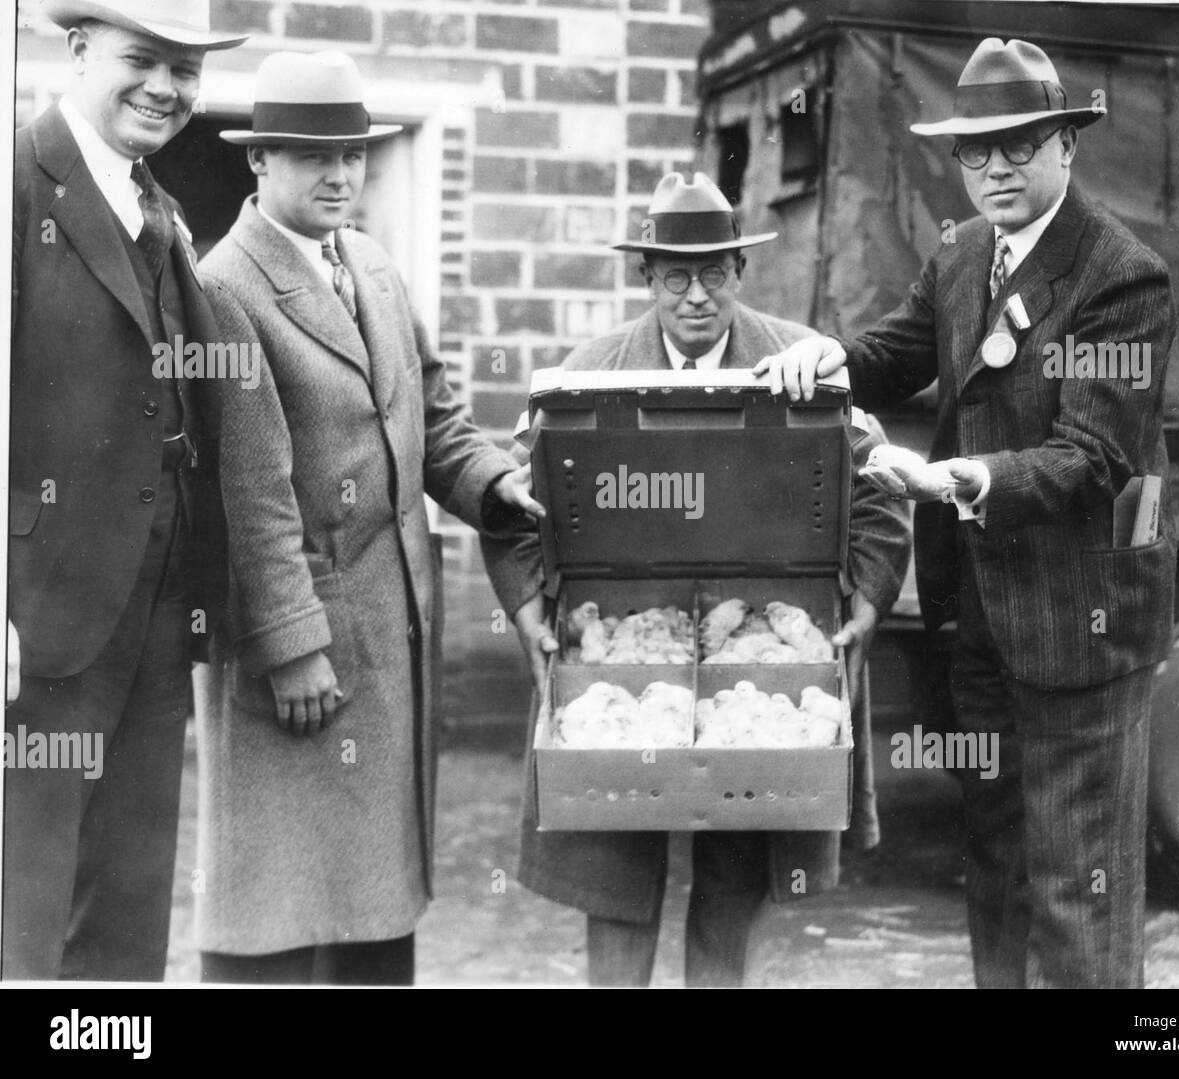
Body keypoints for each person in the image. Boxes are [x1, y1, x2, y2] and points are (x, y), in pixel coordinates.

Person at [757, 38, 1177, 989]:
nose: (995, 169)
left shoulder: (1123, 277)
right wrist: (822, 358)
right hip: (982, 616)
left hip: (1082, 622)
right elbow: (893, 352)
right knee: (995, 867)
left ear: (1067, 145)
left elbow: (1092, 459)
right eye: (975, 151)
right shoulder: (963, 254)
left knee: (1080, 889)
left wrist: (948, 480)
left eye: (1019, 145)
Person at [483, 172, 912, 987]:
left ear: (739, 275)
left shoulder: (800, 362)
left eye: (715, 272)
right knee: (612, 870)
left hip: (760, 632)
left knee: (737, 873)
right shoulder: (591, 372)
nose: (695, 295)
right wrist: (531, 605)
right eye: (675, 275)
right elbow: (516, 502)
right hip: (616, 635)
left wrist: (865, 594)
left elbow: (880, 486)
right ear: (647, 278)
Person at [193, 50, 542, 985]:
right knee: (272, 905)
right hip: (297, 647)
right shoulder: (225, 287)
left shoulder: (372, 264)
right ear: (259, 163)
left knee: (375, 905)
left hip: (387, 633)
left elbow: (434, 413)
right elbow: (249, 491)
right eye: (312, 155)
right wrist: (293, 642)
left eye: (351, 152)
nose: (339, 173)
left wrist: (490, 483)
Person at [4, 0, 246, 981]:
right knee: (25, 891)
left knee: (131, 893)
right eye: (143, 59)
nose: (167, 87)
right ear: (75, 50)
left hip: (157, 607)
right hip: (43, 615)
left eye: (186, 69)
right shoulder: (18, 186)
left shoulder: (162, 208)